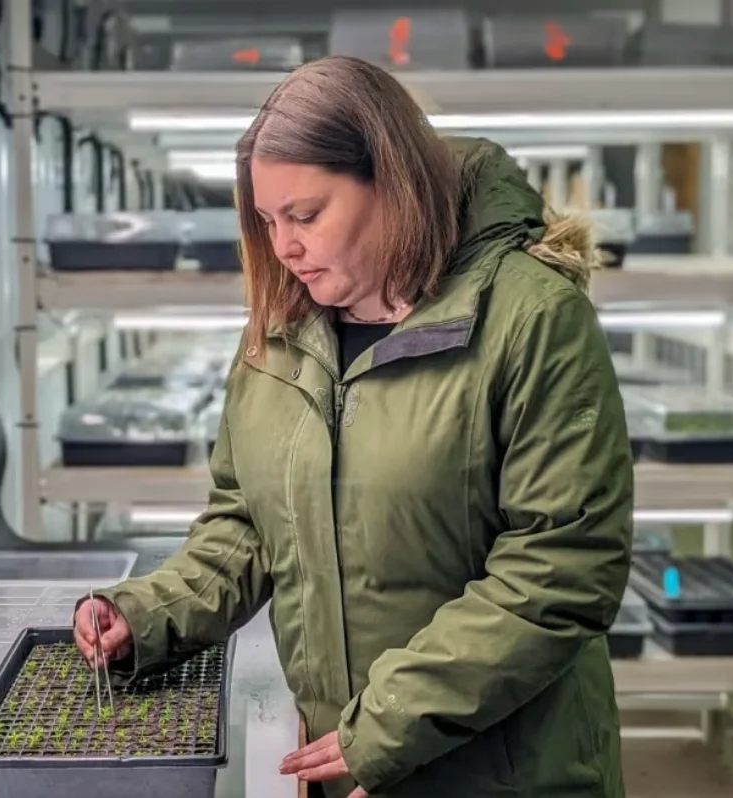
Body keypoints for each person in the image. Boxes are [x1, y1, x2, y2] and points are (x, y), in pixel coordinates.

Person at [75, 55, 633, 798]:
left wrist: (391, 724)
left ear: (393, 182)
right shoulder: (284, 332)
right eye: (268, 221)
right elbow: (247, 521)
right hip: (347, 762)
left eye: (305, 216)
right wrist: (147, 613)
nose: (283, 247)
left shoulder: (531, 318)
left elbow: (562, 567)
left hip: (499, 773)